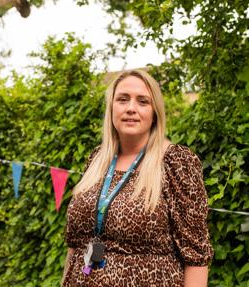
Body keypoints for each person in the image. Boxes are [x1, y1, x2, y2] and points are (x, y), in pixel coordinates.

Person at [62, 69, 214, 286]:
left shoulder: (176, 162)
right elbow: (75, 244)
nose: (131, 108)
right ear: (111, 108)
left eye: (143, 101)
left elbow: (196, 257)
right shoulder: (97, 159)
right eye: (123, 99)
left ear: (155, 113)